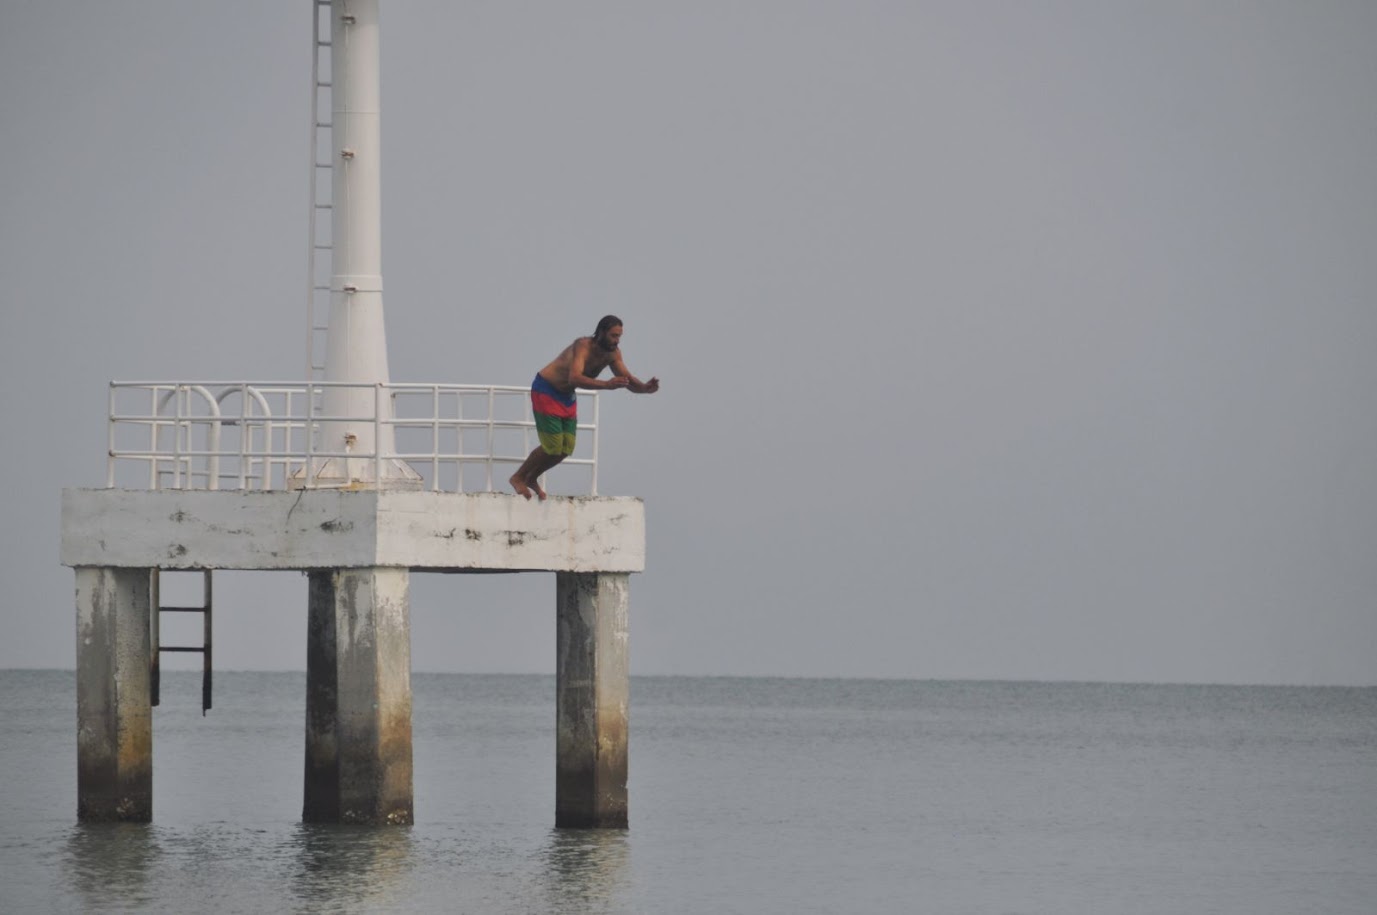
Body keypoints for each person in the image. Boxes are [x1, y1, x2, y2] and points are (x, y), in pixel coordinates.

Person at [510, 315, 660, 500]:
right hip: (546, 389)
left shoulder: (614, 354)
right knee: (553, 444)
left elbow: (627, 379)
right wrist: (606, 385)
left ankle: (531, 477)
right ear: (602, 332)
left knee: (565, 449)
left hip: (566, 396)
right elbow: (575, 378)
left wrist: (645, 388)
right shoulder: (583, 346)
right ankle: (518, 477)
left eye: (619, 336)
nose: (617, 341)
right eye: (613, 336)